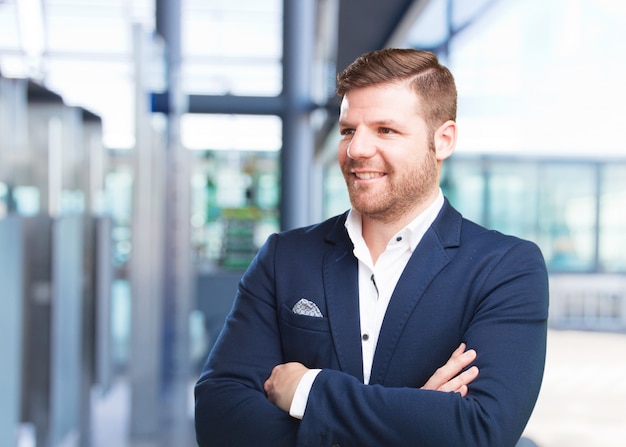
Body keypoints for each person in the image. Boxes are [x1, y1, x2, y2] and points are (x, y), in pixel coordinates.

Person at [194, 48, 549, 447]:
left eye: (385, 130)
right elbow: (219, 416)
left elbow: (480, 430)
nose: (357, 150)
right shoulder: (285, 257)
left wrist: (309, 390)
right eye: (348, 130)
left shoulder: (504, 267)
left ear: (443, 140)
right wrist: (415, 419)